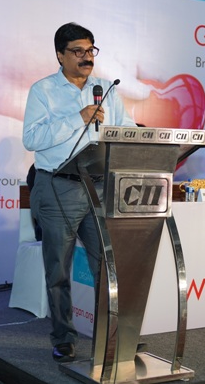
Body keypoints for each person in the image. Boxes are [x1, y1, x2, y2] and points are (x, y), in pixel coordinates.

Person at [22, 23, 136, 362]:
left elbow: (126, 127)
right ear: (60, 55)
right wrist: (78, 117)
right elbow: (32, 138)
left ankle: (114, 336)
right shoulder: (43, 90)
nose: (87, 58)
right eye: (78, 51)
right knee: (59, 268)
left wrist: (136, 137)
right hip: (58, 185)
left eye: (90, 50)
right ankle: (64, 337)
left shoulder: (105, 88)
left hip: (98, 186)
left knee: (108, 265)